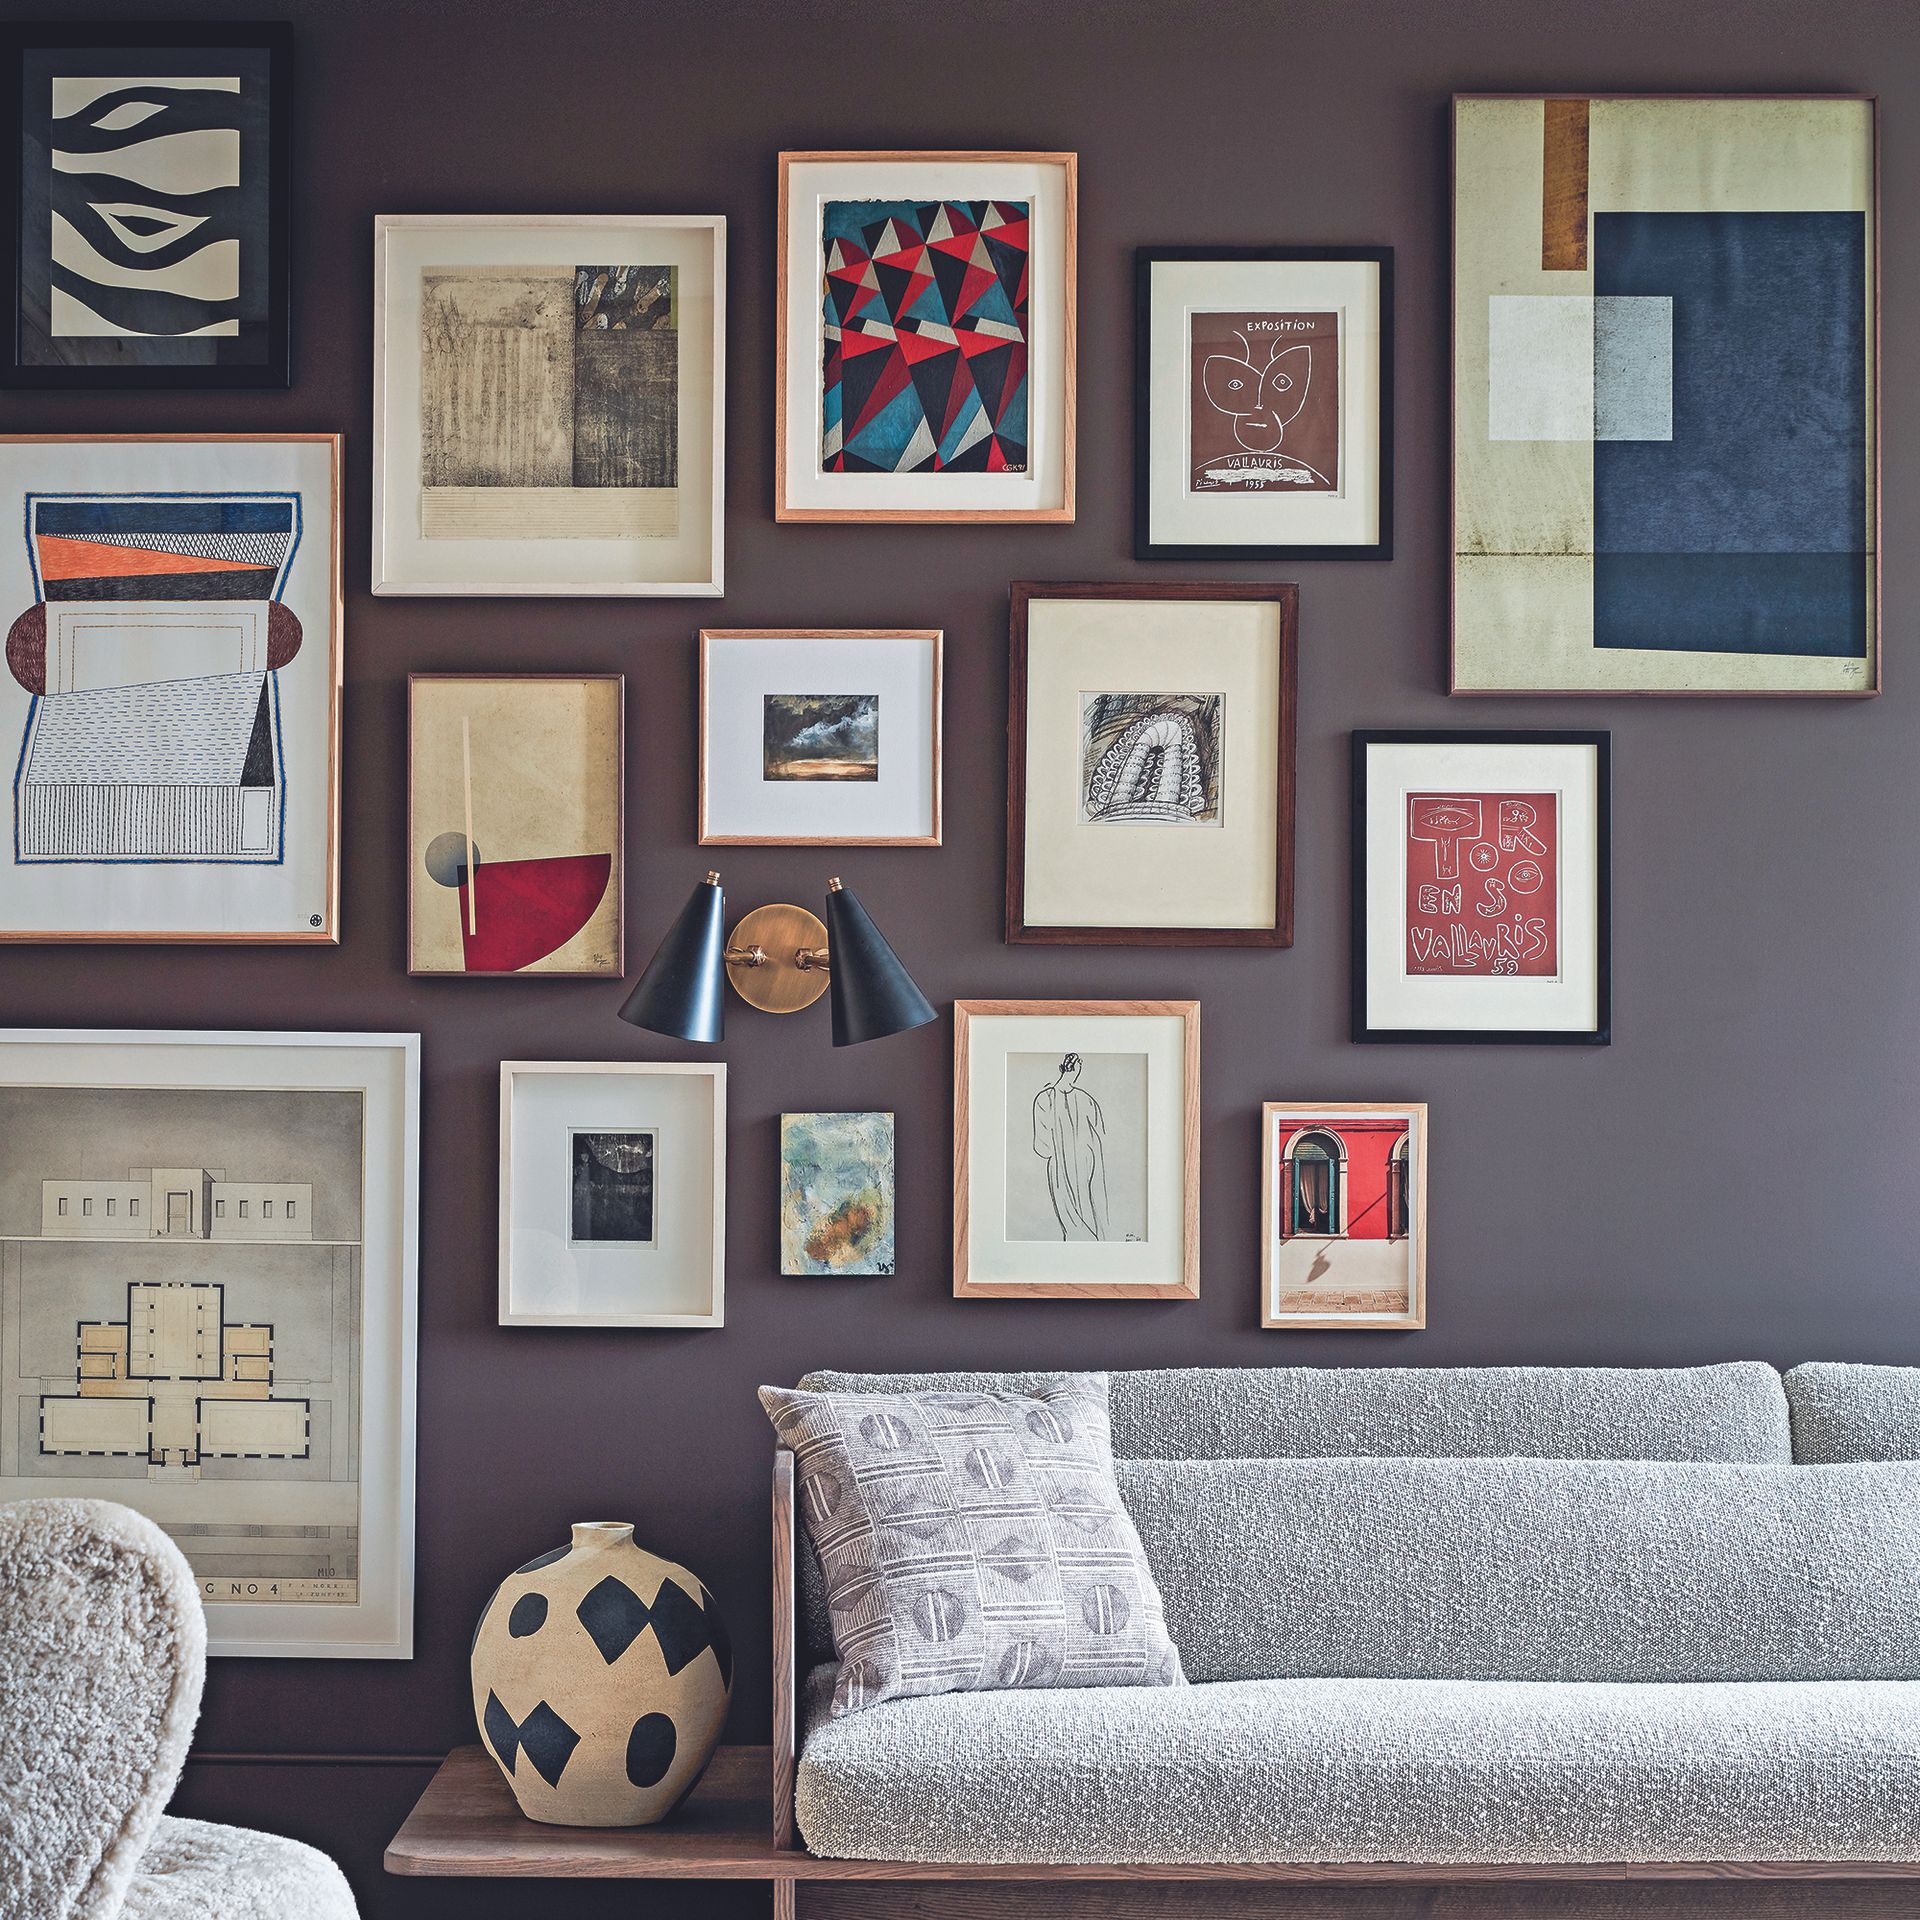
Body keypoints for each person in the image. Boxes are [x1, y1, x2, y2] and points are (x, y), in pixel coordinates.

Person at [1031, 1052, 1108, 1241]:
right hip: (1084, 1166)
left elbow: (1042, 1147)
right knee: (1086, 1216)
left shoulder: (1044, 1099)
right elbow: (1102, 1134)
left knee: (1073, 1222)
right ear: (1077, 1067)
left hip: (1062, 1170)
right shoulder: (1086, 1099)